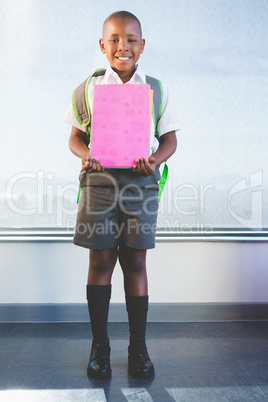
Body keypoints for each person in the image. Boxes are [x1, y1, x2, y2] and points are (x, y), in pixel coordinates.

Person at [63, 10, 179, 378]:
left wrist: (154, 160)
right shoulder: (89, 89)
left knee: (135, 262)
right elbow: (75, 139)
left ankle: (138, 348)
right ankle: (100, 347)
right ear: (102, 45)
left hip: (140, 183)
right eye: (114, 39)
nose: (122, 46)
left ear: (142, 46)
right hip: (99, 182)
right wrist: (87, 156)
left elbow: (170, 140)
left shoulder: (156, 89)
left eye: (131, 40)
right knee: (100, 261)